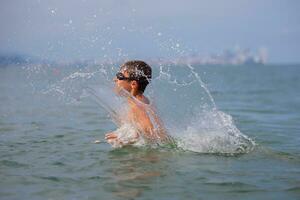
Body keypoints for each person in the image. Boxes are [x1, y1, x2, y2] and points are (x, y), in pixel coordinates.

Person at [105, 60, 171, 147]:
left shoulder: (136, 105)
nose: (115, 79)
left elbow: (151, 132)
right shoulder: (143, 100)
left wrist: (128, 136)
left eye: (119, 76)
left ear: (133, 84)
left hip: (150, 157)